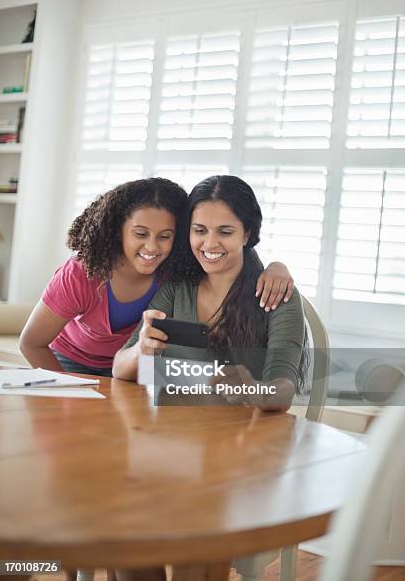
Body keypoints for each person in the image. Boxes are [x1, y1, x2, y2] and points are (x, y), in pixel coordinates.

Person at [20, 177, 295, 377]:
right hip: (72, 363)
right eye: (140, 234)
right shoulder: (84, 272)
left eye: (165, 236)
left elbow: (231, 257)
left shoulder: (173, 268)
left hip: (134, 368)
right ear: (118, 231)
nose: (152, 247)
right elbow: (31, 342)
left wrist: (276, 266)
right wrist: (66, 390)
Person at [113, 175, 306, 412]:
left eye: (225, 232)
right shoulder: (177, 287)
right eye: (200, 230)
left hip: (240, 438)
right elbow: (119, 368)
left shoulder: (277, 296)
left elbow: (283, 390)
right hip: (174, 433)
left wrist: (252, 388)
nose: (210, 243)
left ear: (246, 235)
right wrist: (141, 349)